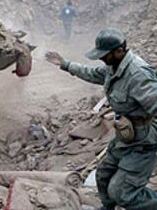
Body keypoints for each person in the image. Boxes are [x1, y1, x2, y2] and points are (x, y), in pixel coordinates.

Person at [46, 28, 157, 210]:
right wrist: (65, 64)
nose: (101, 58)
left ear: (119, 51)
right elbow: (93, 73)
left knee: (122, 193)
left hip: (143, 142)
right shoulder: (114, 66)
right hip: (125, 136)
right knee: (103, 176)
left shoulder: (138, 75)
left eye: (104, 55)